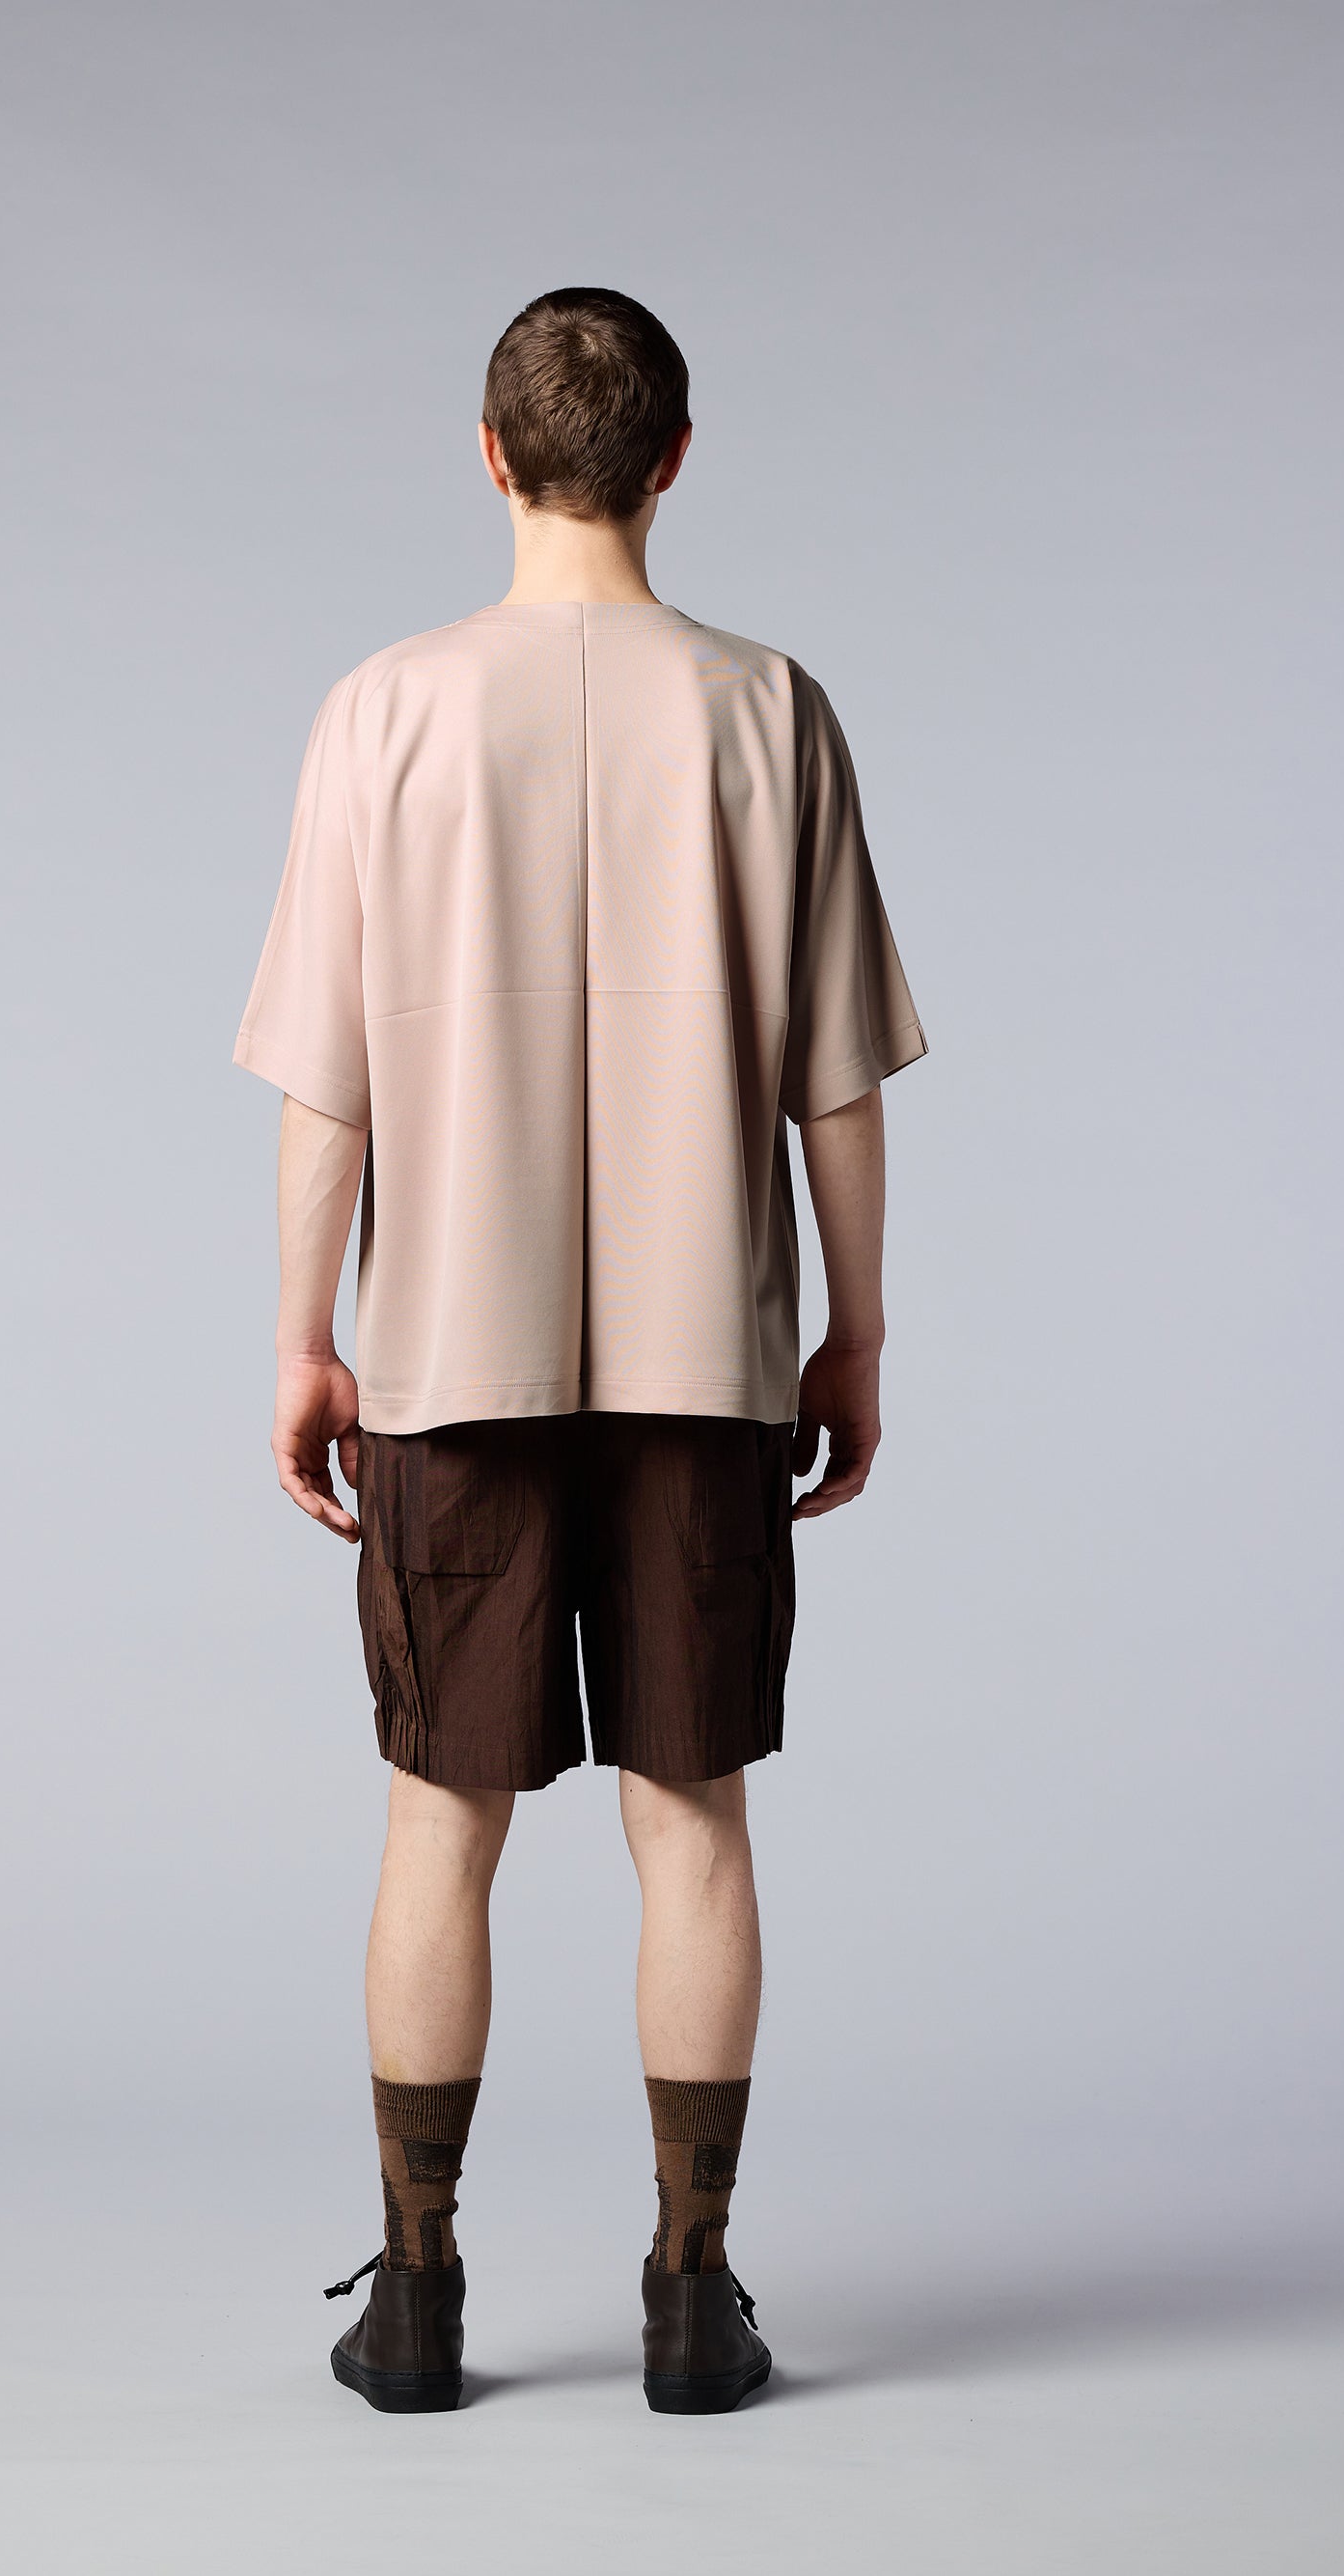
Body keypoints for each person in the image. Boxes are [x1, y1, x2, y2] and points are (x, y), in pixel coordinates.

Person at [233, 287, 926, 2416]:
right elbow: (836, 1086)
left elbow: (329, 1087)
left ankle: (418, 2303)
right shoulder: (768, 709)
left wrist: (303, 1337)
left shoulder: (386, 710)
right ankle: (692, 2306)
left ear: (490, 455)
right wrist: (855, 1334)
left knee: (438, 1822)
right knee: (691, 1820)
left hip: (450, 1355)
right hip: (707, 1363)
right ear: (674, 460)